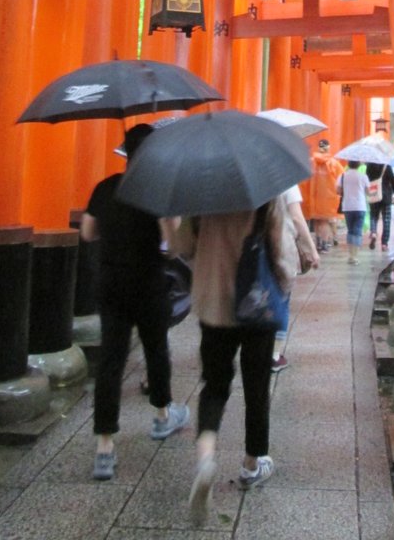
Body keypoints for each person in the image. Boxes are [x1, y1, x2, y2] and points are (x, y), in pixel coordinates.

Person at [80, 124, 190, 481]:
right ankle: (161, 416)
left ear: (125, 153)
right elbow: (174, 247)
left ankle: (104, 448)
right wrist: (168, 223)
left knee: (111, 360)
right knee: (156, 350)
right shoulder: (159, 193)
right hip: (148, 284)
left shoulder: (105, 187)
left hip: (110, 283)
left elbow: (88, 233)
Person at [185, 195, 297, 526]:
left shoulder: (200, 191)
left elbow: (184, 246)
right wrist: (287, 281)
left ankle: (206, 457)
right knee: (257, 386)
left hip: (213, 302)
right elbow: (281, 247)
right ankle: (251, 463)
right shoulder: (264, 192)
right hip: (256, 301)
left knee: (215, 386)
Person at [271, 184, 320, 372]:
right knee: (282, 300)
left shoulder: (246, 179)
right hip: (281, 247)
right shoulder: (285, 180)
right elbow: (297, 218)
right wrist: (311, 249)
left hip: (252, 249)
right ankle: (274, 355)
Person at [304, 139, 342, 252]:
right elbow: (340, 179)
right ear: (328, 148)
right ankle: (325, 244)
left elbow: (305, 179)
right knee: (325, 222)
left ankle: (318, 243)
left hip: (313, 197)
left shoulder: (311, 162)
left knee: (316, 221)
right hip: (328, 199)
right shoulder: (334, 163)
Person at [336, 160, 370, 264]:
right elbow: (368, 192)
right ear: (358, 165)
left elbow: (338, 191)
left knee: (350, 230)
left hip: (347, 206)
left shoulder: (342, 176)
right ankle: (355, 256)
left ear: (348, 165)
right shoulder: (363, 176)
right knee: (357, 230)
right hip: (360, 206)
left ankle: (350, 255)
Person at [365, 161, 394, 251]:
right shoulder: (387, 166)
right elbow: (393, 181)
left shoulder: (369, 165)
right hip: (386, 196)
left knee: (373, 216)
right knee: (386, 220)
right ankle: (384, 244)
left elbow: (367, 180)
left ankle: (374, 232)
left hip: (374, 194)